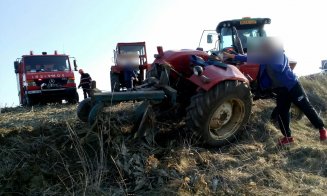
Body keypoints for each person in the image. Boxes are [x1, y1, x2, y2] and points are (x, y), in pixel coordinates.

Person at [224, 38, 327, 146]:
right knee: (282, 113)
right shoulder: (265, 56)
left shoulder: (280, 56)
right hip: (281, 90)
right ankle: (288, 137)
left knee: (305, 106)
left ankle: (321, 129)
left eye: (265, 47)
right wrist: (233, 56)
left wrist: (267, 57)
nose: (262, 49)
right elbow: (248, 57)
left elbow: (279, 68)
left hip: (292, 86)